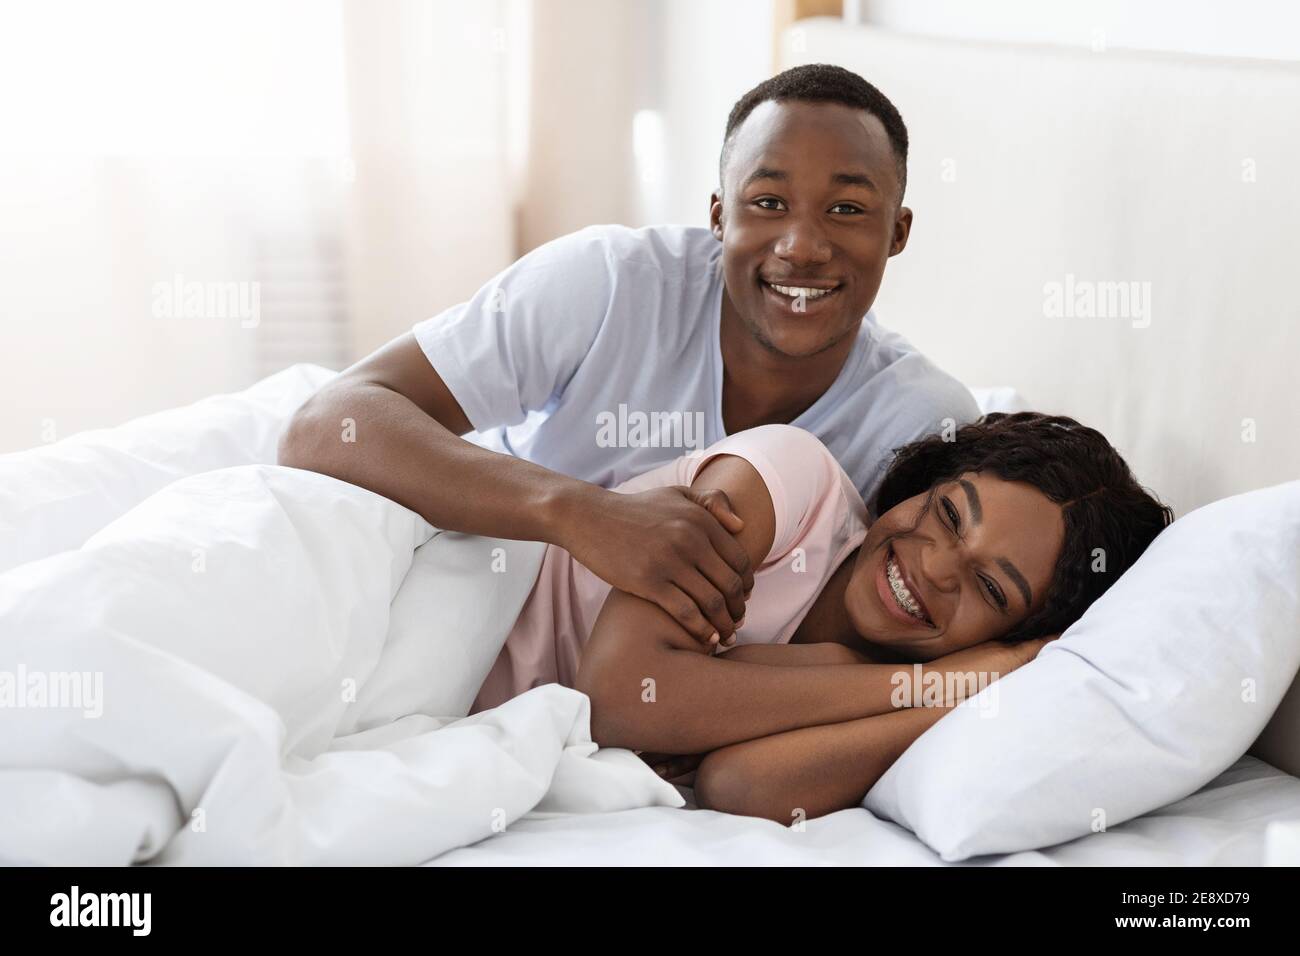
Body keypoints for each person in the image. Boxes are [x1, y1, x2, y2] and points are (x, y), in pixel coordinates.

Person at [278, 63, 980, 650]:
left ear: (898, 231)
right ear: (717, 217)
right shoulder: (608, 284)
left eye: (848, 210)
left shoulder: (923, 421)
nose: (801, 244)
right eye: (767, 201)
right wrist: (582, 515)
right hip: (458, 606)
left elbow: (904, 628)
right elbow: (326, 423)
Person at [464, 414, 1171, 822]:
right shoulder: (790, 481)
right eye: (950, 513)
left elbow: (742, 785)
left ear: (1008, 637)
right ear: (928, 478)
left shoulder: (921, 687)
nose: (934, 566)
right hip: (454, 598)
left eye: (990, 588)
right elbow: (621, 698)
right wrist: (905, 680)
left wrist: (963, 688)